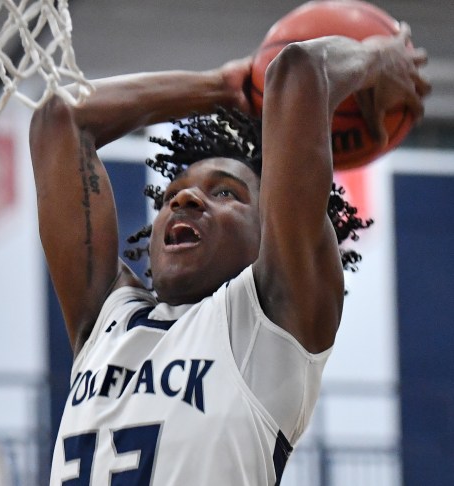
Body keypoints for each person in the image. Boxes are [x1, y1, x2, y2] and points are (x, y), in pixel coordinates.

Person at [29, 23, 430, 486]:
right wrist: (221, 87)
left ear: (271, 230)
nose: (184, 201)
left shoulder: (272, 317)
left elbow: (297, 71)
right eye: (172, 195)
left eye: (226, 192)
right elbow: (61, 118)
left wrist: (380, 59)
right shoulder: (108, 321)